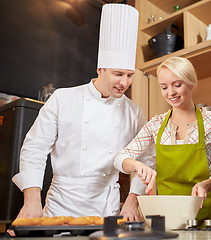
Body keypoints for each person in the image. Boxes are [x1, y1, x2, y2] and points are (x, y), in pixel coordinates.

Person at [12, 3, 155, 219]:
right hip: (60, 206)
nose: (124, 82)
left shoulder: (134, 112)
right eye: (118, 74)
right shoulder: (63, 99)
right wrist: (32, 201)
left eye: (129, 75)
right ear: (100, 69)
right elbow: (35, 148)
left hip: (107, 208)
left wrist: (133, 201)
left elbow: (147, 159)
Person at [114, 56, 211, 224]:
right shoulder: (156, 125)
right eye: (164, 87)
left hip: (208, 214)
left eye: (177, 85)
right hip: (168, 217)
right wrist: (138, 165)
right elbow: (120, 159)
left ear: (191, 83)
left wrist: (207, 184)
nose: (170, 93)